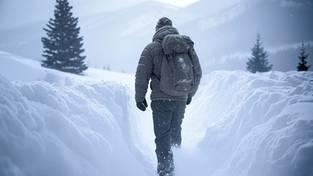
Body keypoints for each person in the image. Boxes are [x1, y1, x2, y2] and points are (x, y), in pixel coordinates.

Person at [135, 17, 202, 176]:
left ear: (157, 30)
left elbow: (142, 74)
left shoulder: (151, 48)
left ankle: (166, 172)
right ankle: (178, 167)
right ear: (172, 28)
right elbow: (197, 72)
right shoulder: (185, 47)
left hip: (161, 100)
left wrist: (139, 97)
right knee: (175, 134)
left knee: (163, 138)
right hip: (180, 99)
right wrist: (189, 93)